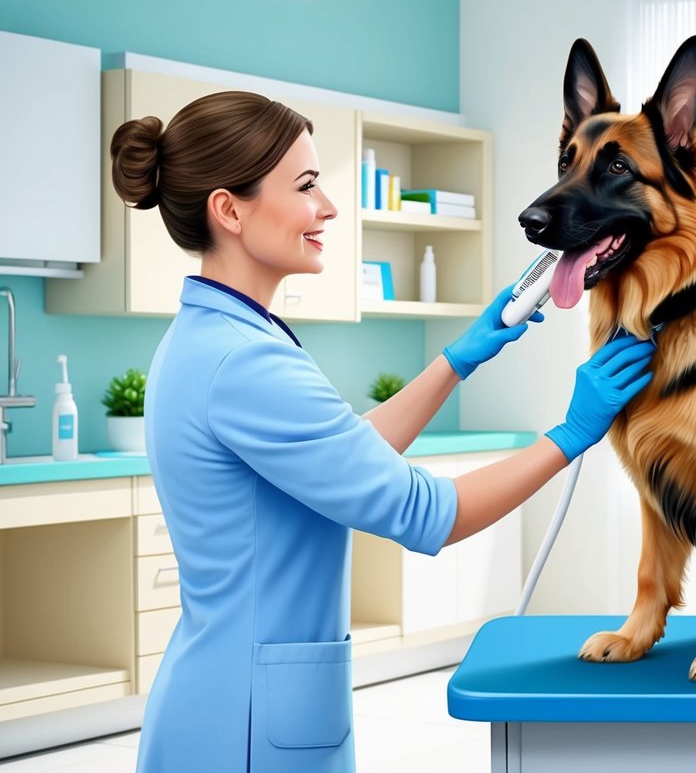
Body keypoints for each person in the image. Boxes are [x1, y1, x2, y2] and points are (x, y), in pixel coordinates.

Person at [109, 90, 654, 773]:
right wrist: (570, 434)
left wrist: (455, 361)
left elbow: (343, 454)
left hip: (225, 700)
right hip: (244, 728)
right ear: (229, 210)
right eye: (306, 186)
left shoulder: (216, 337)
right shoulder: (243, 362)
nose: (329, 208)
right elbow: (427, 514)